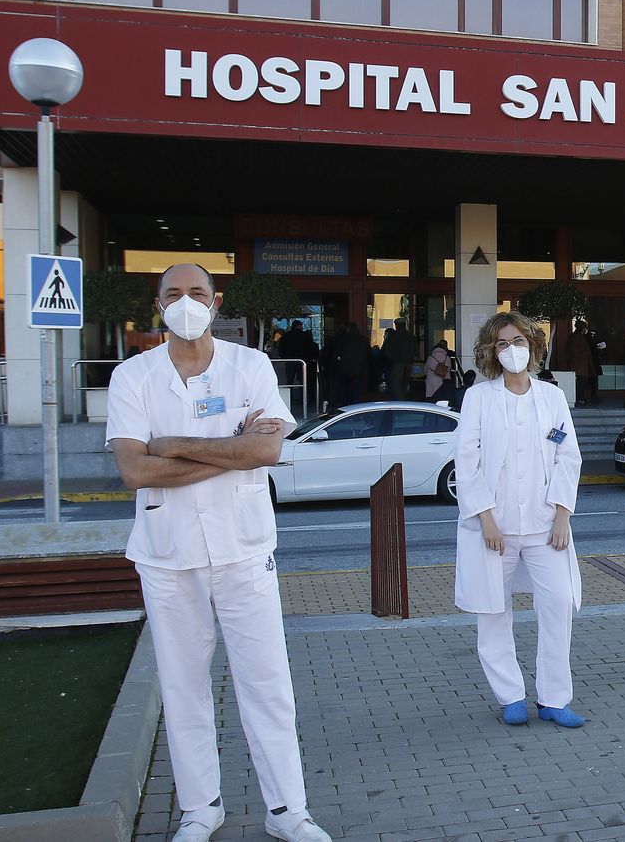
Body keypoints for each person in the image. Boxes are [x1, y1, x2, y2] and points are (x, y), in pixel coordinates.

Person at [104, 263, 331, 842]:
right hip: (166, 555)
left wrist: (176, 446)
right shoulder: (133, 377)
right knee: (183, 688)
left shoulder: (249, 365)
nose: (186, 303)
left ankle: (288, 813)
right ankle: (200, 810)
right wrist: (234, 448)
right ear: (158, 305)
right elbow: (135, 469)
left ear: (216, 300)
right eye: (173, 294)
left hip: (243, 552)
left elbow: (267, 450)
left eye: (196, 293)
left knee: (267, 685)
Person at [454, 312, 587, 729]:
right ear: (492, 352)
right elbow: (468, 462)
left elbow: (568, 456)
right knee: (494, 613)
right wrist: (486, 520)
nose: (512, 350)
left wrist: (563, 514)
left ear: (532, 343)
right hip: (495, 528)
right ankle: (510, 695)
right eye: (502, 343)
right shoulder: (478, 397)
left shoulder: (551, 396)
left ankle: (553, 698)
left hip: (546, 526)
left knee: (559, 603)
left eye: (518, 341)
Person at [568, 318, 600, 406]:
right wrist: (584, 355)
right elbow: (575, 351)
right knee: (581, 381)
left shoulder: (578, 337)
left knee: (582, 381)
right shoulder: (576, 337)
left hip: (582, 364)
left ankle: (581, 398)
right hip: (579, 365)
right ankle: (580, 398)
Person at [384, 318, 418, 400]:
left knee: (397, 385)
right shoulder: (411, 335)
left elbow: (387, 350)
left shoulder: (393, 336)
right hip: (409, 363)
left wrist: (390, 360)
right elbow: (416, 349)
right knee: (404, 384)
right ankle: (404, 399)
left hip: (397, 363)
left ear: (396, 326)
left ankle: (401, 402)